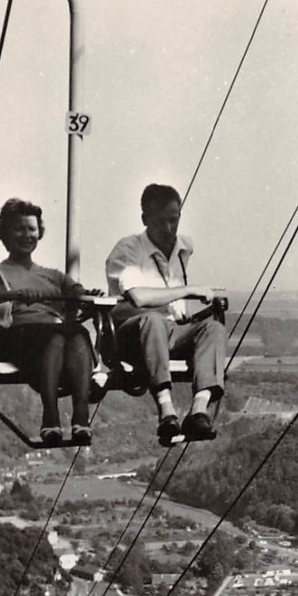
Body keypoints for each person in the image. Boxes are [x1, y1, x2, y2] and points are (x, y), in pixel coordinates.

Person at [0, 198, 95, 447]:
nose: (26, 235)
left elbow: (77, 292)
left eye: (31, 229)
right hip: (17, 338)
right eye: (19, 229)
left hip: (56, 337)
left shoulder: (53, 276)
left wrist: (84, 295)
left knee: (78, 334)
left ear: (39, 232)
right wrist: (12, 296)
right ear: (6, 234)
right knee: (56, 336)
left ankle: (81, 416)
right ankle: (50, 416)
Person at [105, 184, 226, 446]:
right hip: (131, 334)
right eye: (161, 222)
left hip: (170, 330)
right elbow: (138, 298)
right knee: (152, 319)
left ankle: (199, 410)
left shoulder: (184, 248)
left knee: (213, 328)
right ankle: (166, 409)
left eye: (174, 220)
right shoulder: (128, 250)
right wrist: (191, 290)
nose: (170, 229)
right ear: (145, 219)